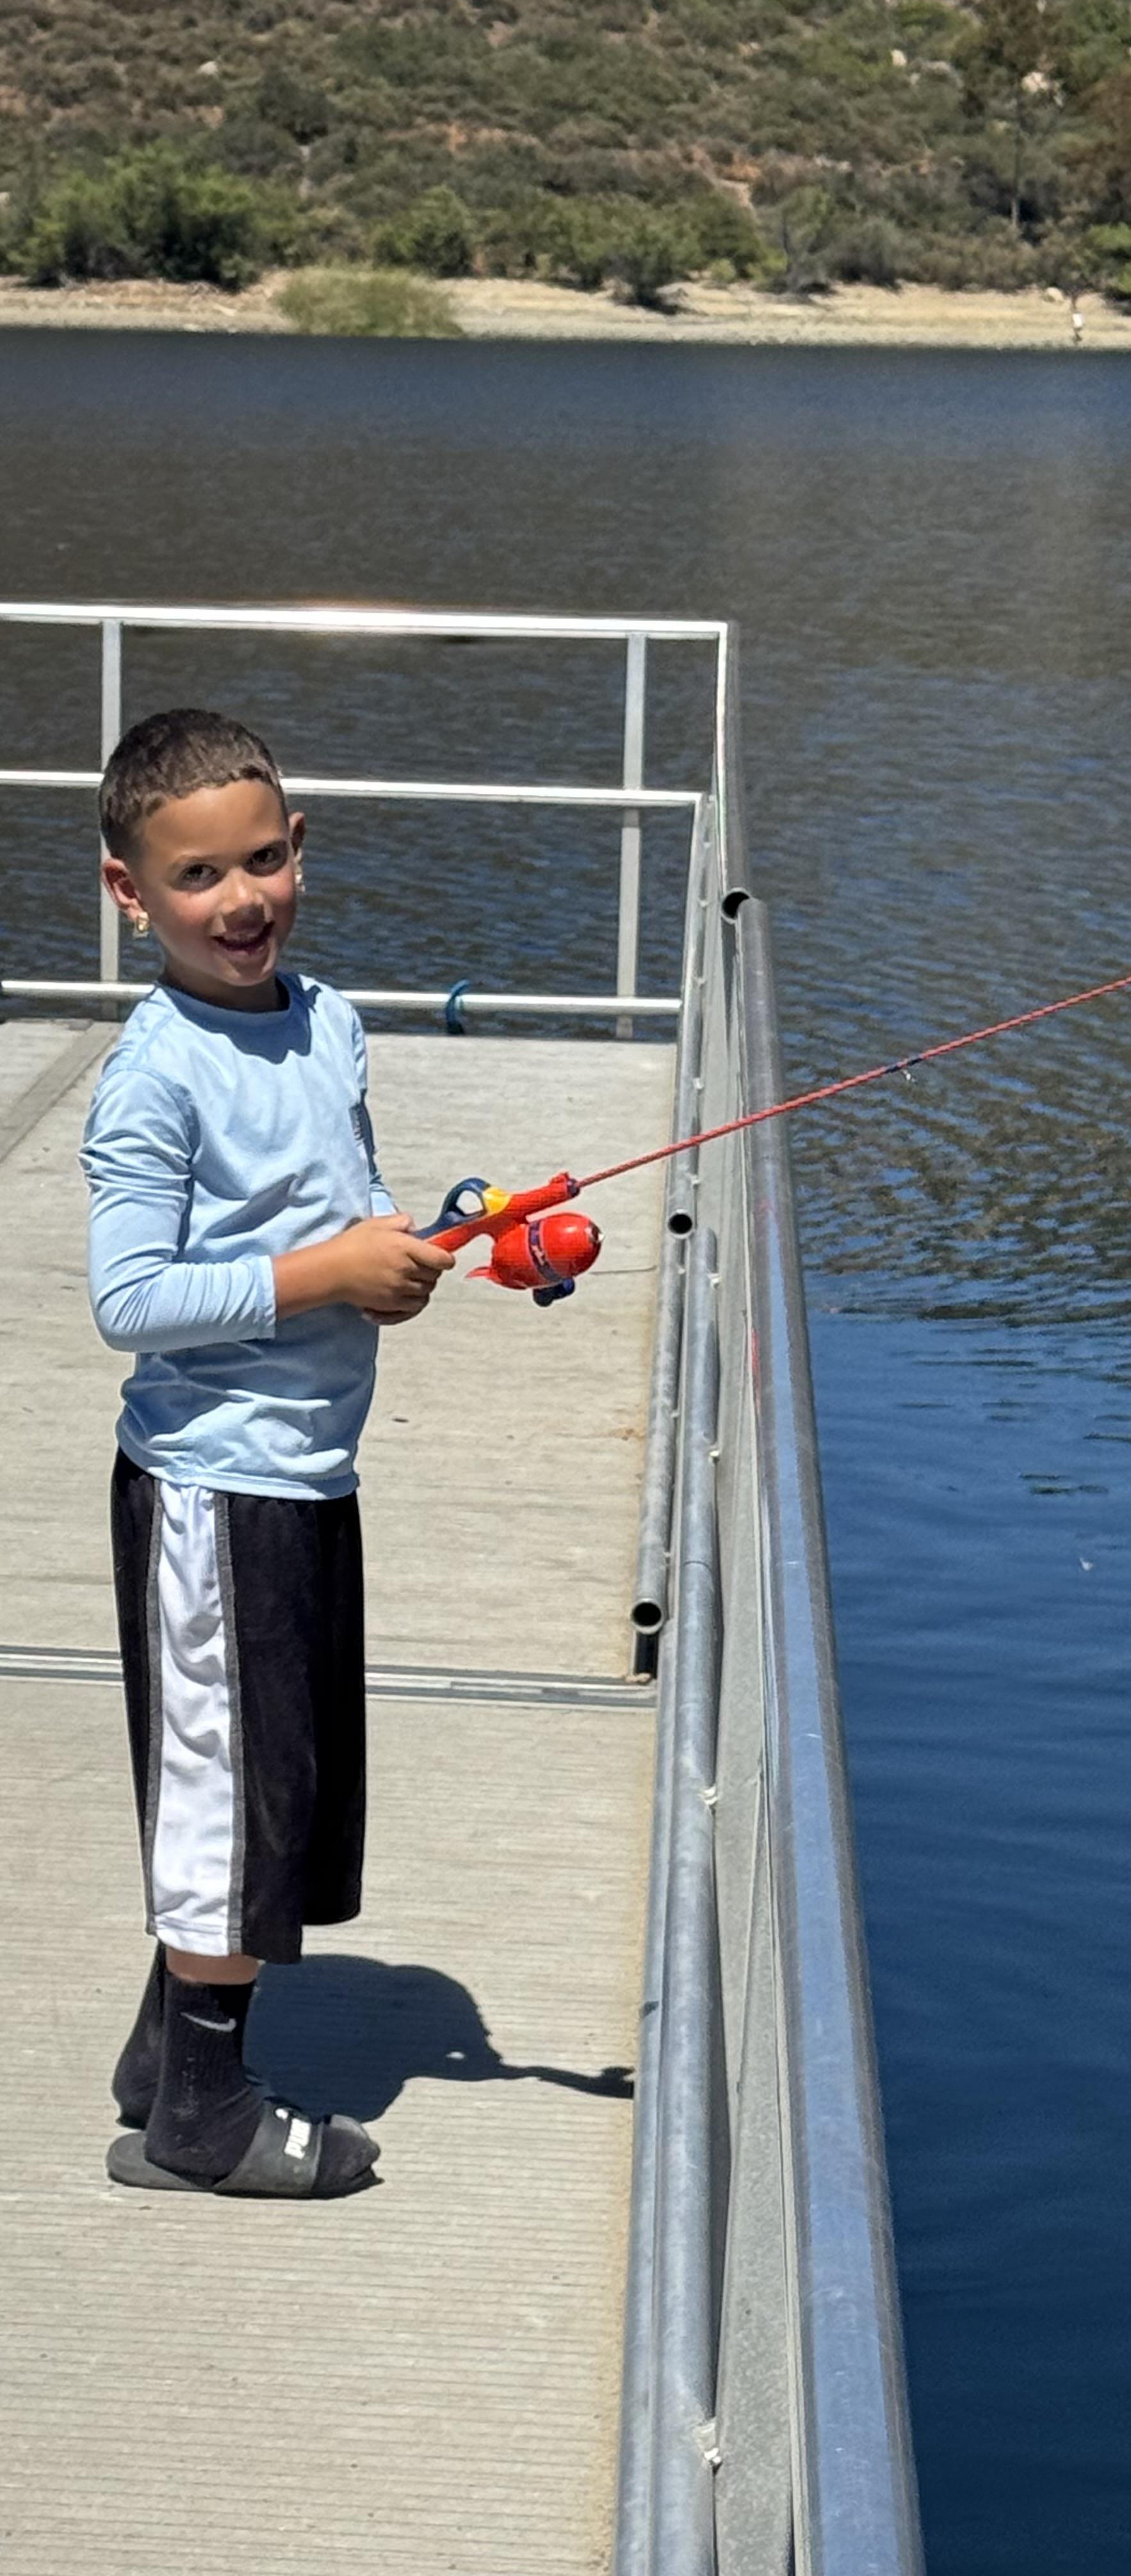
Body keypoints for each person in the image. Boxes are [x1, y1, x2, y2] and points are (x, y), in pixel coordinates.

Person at [80, 707, 453, 2198]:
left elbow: (332, 1221)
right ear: (128, 894)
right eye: (194, 879)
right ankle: (200, 2120)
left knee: (269, 1797)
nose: (238, 901)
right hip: (209, 1493)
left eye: (261, 862)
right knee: (231, 1807)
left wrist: (428, 1254)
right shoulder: (155, 1075)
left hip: (308, 1474)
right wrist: (327, 1276)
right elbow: (129, 1300)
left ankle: (162, 2051)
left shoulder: (329, 1020)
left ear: (299, 849)